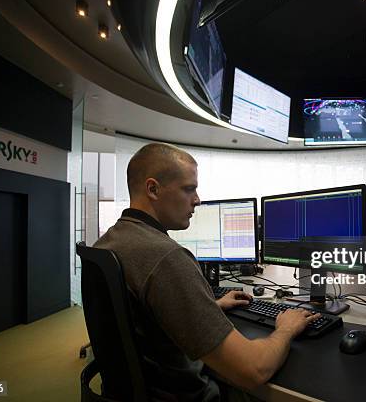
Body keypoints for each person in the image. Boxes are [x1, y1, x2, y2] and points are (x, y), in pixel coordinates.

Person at [94, 142, 320, 401]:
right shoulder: (166, 257)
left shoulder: (111, 241)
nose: (197, 200)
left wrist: (209, 306)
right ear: (153, 189)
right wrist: (286, 328)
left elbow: (143, 319)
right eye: (189, 189)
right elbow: (253, 370)